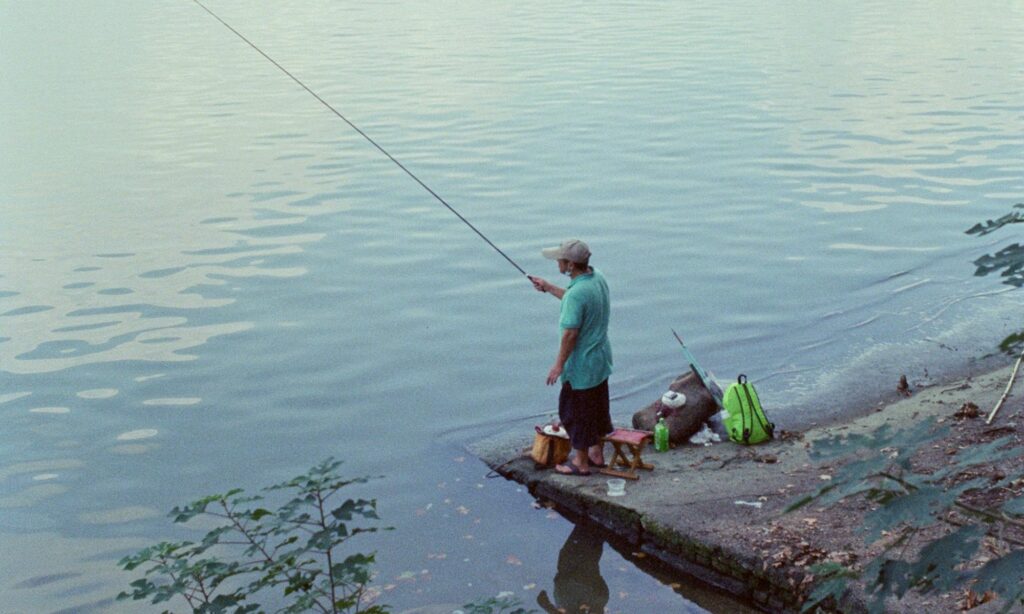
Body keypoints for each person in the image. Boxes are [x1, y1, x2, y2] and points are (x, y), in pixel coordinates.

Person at [528, 239, 613, 476]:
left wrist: (558, 365)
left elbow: (570, 334)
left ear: (570, 265)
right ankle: (596, 453)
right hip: (600, 359)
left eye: (560, 259)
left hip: (582, 365)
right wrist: (547, 286)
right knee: (597, 408)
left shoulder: (577, 293)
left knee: (574, 412)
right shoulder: (597, 278)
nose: (557, 261)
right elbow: (575, 298)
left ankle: (580, 463)